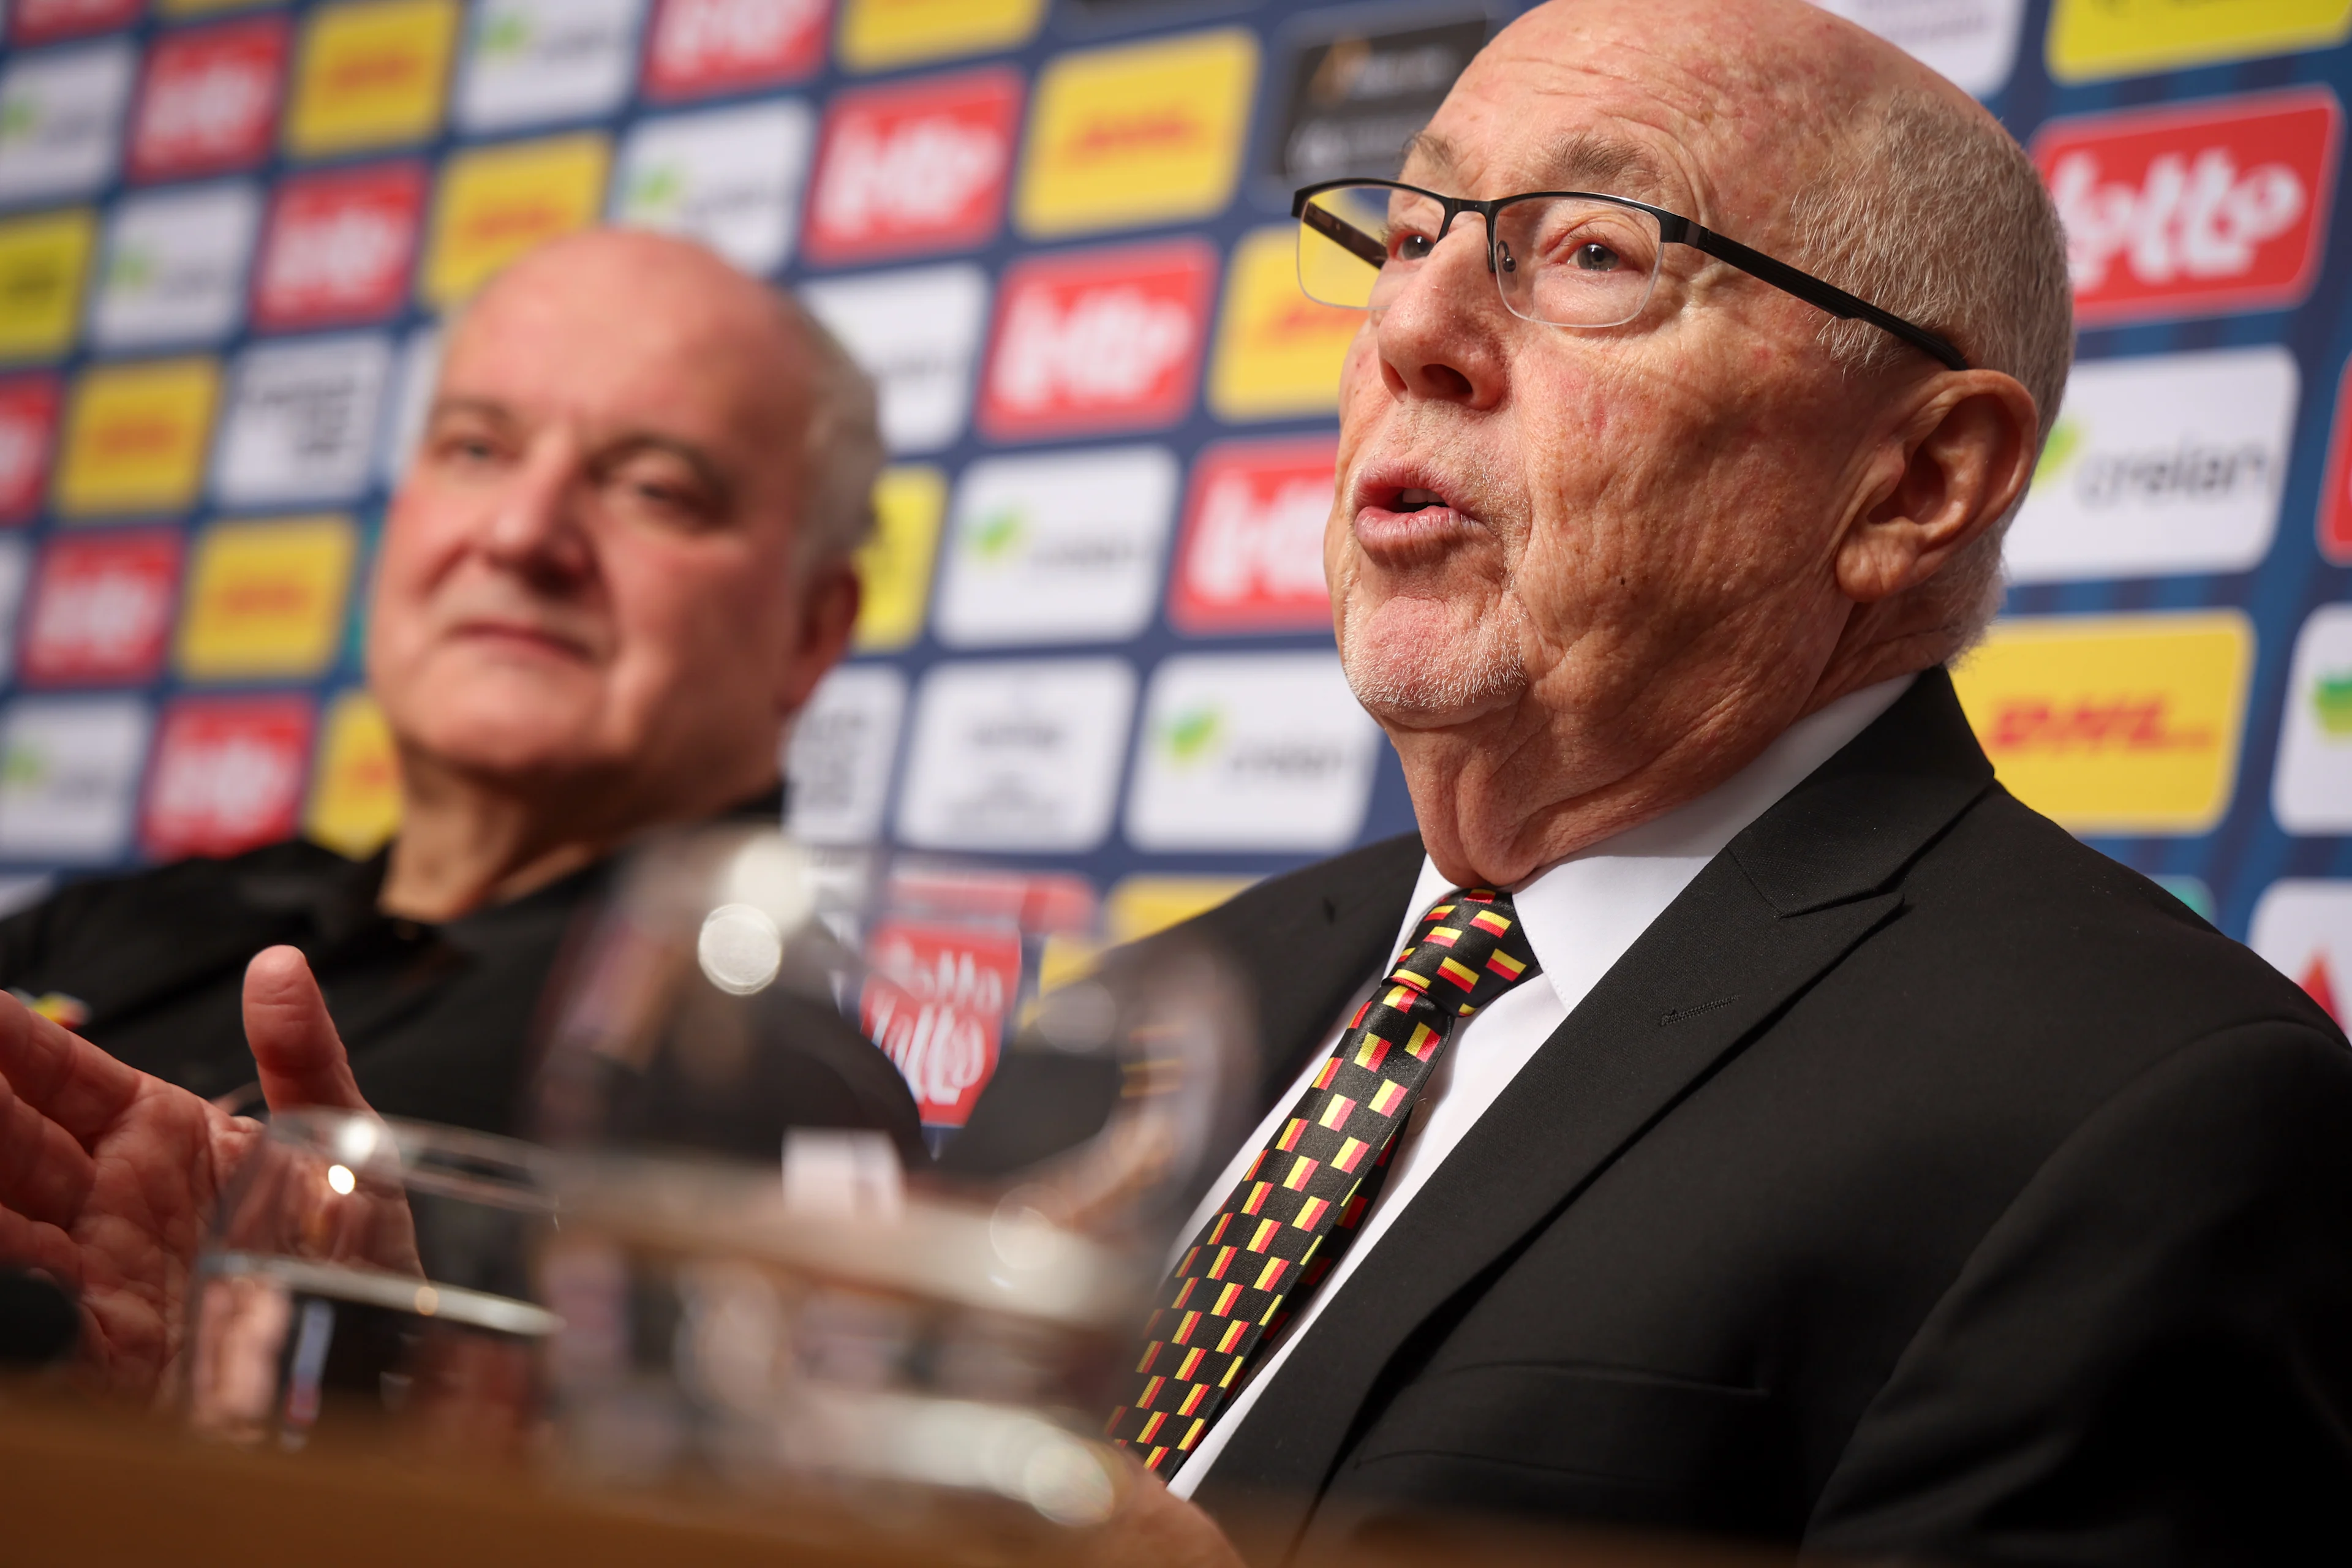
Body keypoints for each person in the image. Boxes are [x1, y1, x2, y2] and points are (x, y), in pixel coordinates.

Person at [2, 1, 2348, 1559]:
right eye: (1409, 237)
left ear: (1922, 477)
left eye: (1596, 258)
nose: (1417, 327)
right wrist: (420, 1396)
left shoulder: (2143, 1112)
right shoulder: (1145, 1015)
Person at [0, 228, 921, 1158]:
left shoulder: (757, 1101)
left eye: (653, 488)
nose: (522, 532)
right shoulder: (123, 924)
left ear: (812, 627)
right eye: (477, 449)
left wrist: (350, 1301)